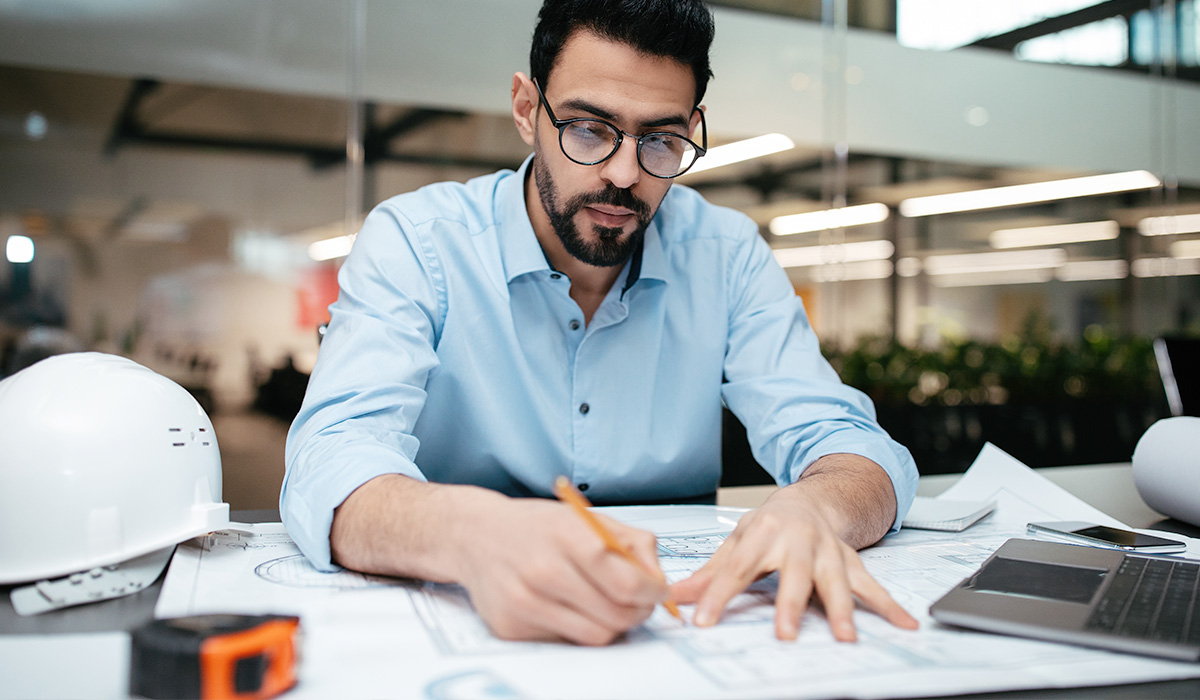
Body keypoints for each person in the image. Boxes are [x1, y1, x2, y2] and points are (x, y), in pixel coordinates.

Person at [282, 0, 919, 646]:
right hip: (461, 633)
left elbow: (853, 446)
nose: (624, 174)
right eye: (589, 129)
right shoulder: (419, 244)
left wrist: (817, 506)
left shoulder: (726, 255)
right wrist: (472, 532)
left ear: (694, 128)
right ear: (528, 109)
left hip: (680, 636)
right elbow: (332, 457)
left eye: (662, 141)